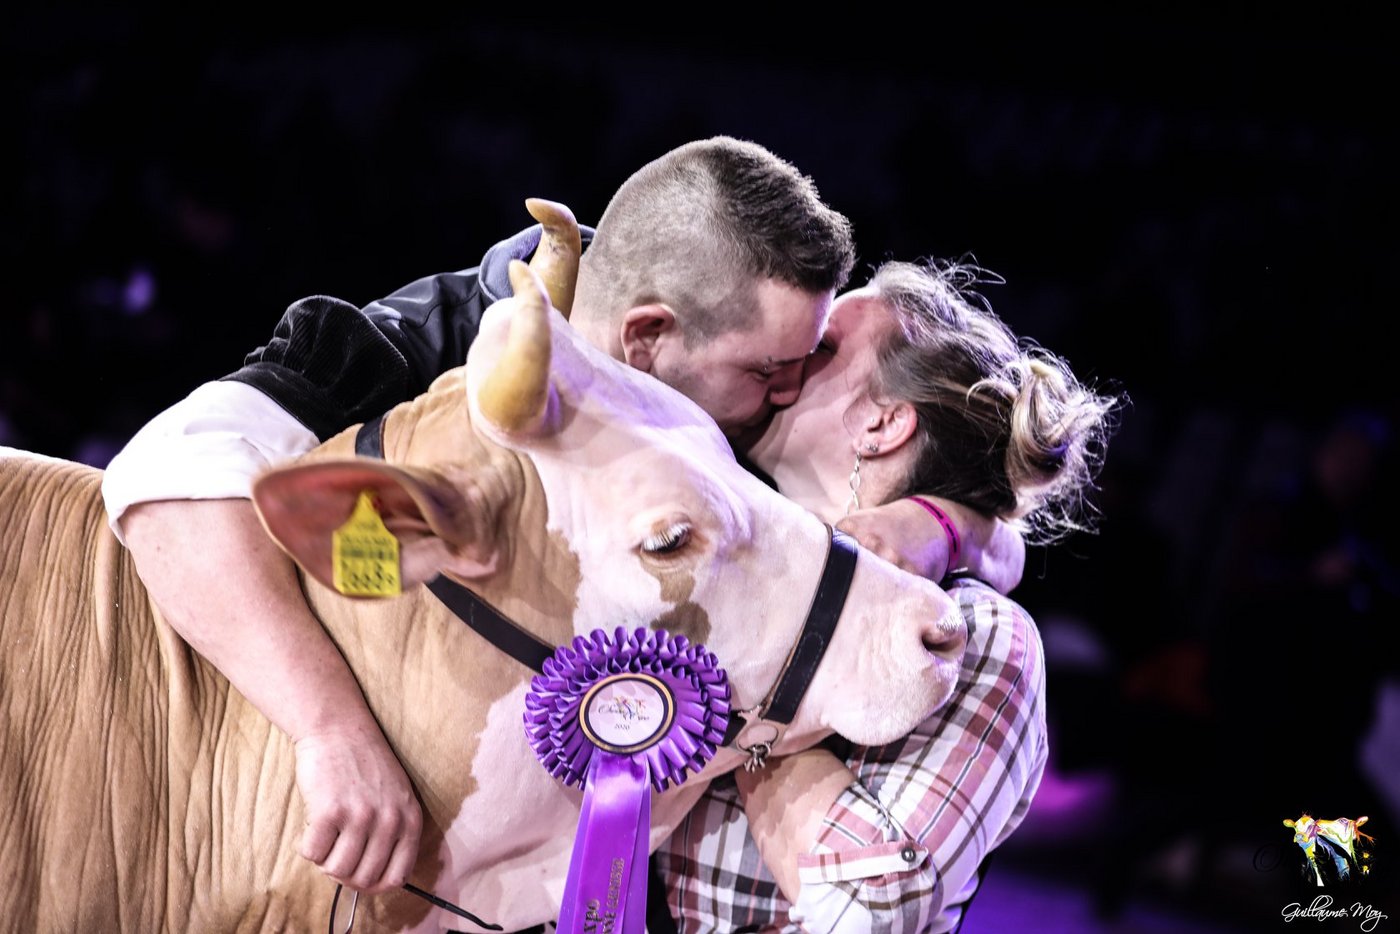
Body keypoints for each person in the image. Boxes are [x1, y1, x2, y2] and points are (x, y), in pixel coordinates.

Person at [101, 137, 1014, 899]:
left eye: (806, 364)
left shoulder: (721, 414)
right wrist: (329, 729)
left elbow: (975, 517)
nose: (788, 395)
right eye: (772, 369)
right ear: (647, 338)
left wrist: (948, 522)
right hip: (263, 857)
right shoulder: (417, 351)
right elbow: (162, 481)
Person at [654, 258, 1118, 931]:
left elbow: (871, 914)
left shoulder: (980, 634)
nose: (780, 356)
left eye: (820, 348)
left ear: (882, 424)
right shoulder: (701, 549)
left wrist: (781, 681)